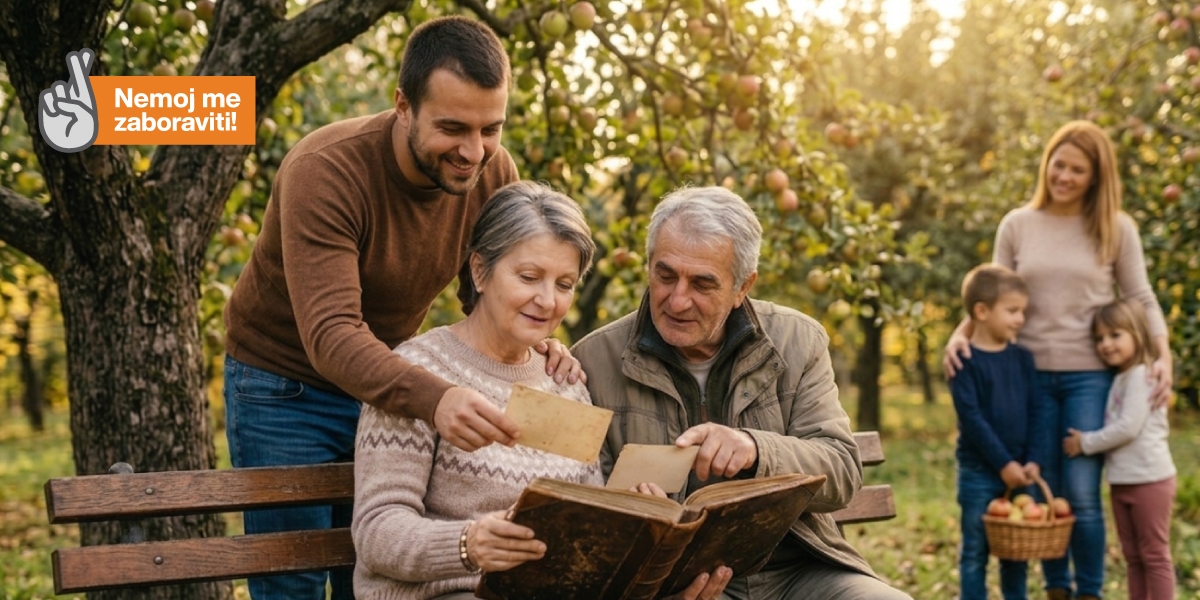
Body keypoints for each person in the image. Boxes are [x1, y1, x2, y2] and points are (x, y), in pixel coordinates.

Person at [222, 17, 581, 599]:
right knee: (296, 579)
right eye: (453, 128)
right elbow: (333, 335)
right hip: (286, 385)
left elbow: (488, 290)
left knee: (365, 570)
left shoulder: (493, 172)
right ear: (403, 106)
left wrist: (537, 337)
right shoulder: (326, 170)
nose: (474, 151)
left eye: (491, 128)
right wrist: (436, 397)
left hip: (390, 373)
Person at [572, 186, 912, 600]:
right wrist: (635, 520)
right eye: (665, 275)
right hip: (670, 585)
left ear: (742, 287)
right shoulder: (593, 359)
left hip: (797, 573)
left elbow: (841, 471)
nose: (677, 300)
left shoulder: (797, 340)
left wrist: (755, 449)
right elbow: (580, 513)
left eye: (703, 283)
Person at [943, 120, 1172, 600]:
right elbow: (989, 292)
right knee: (1037, 486)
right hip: (1023, 376)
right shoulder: (1017, 224)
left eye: (1077, 170)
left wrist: (1162, 355)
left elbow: (1142, 297)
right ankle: (1056, 587)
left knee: (1082, 493)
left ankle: (1086, 590)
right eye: (1058, 164)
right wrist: (958, 336)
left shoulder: (1115, 228)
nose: (1064, 176)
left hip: (1088, 377)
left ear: (1096, 177)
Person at [352, 181, 603, 600]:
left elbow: (589, 516)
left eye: (564, 284)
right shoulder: (420, 373)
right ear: (480, 271)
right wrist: (468, 544)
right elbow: (377, 531)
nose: (547, 300)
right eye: (529, 277)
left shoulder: (566, 381)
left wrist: (635, 513)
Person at [1063, 300, 1176, 600]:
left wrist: (1084, 442)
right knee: (1133, 557)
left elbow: (1128, 427)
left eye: (1115, 335)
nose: (1106, 345)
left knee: (1154, 555)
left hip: (1150, 480)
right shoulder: (1121, 378)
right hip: (1123, 481)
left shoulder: (1141, 375)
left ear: (1137, 334)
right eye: (1099, 338)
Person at [950, 264, 1043, 600]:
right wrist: (1004, 463)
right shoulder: (964, 361)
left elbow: (1037, 411)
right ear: (982, 311)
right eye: (1013, 311)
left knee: (1015, 555)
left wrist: (1033, 460)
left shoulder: (1023, 359)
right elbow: (972, 419)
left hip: (1020, 472)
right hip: (979, 472)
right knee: (975, 551)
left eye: (1023, 311)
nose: (1021, 319)